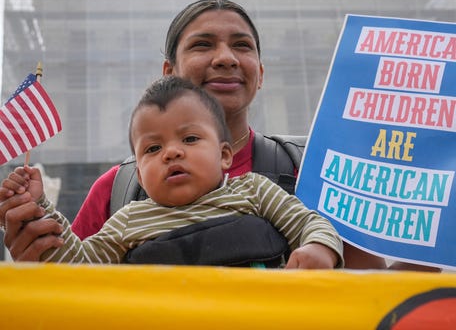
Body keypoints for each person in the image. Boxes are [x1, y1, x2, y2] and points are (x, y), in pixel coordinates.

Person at [0, 0, 437, 271]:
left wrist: (427, 260)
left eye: (242, 46)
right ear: (168, 74)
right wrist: (39, 231)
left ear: (260, 74)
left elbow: (366, 289)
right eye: (203, 44)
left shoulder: (316, 168)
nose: (226, 58)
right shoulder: (117, 193)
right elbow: (78, 276)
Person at [1, 76, 343, 268]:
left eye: (190, 138)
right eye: (152, 149)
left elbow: (309, 222)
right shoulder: (128, 219)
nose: (172, 152)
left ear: (225, 155)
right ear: (137, 168)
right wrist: (39, 210)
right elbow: (79, 267)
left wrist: (319, 248)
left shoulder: (254, 190)